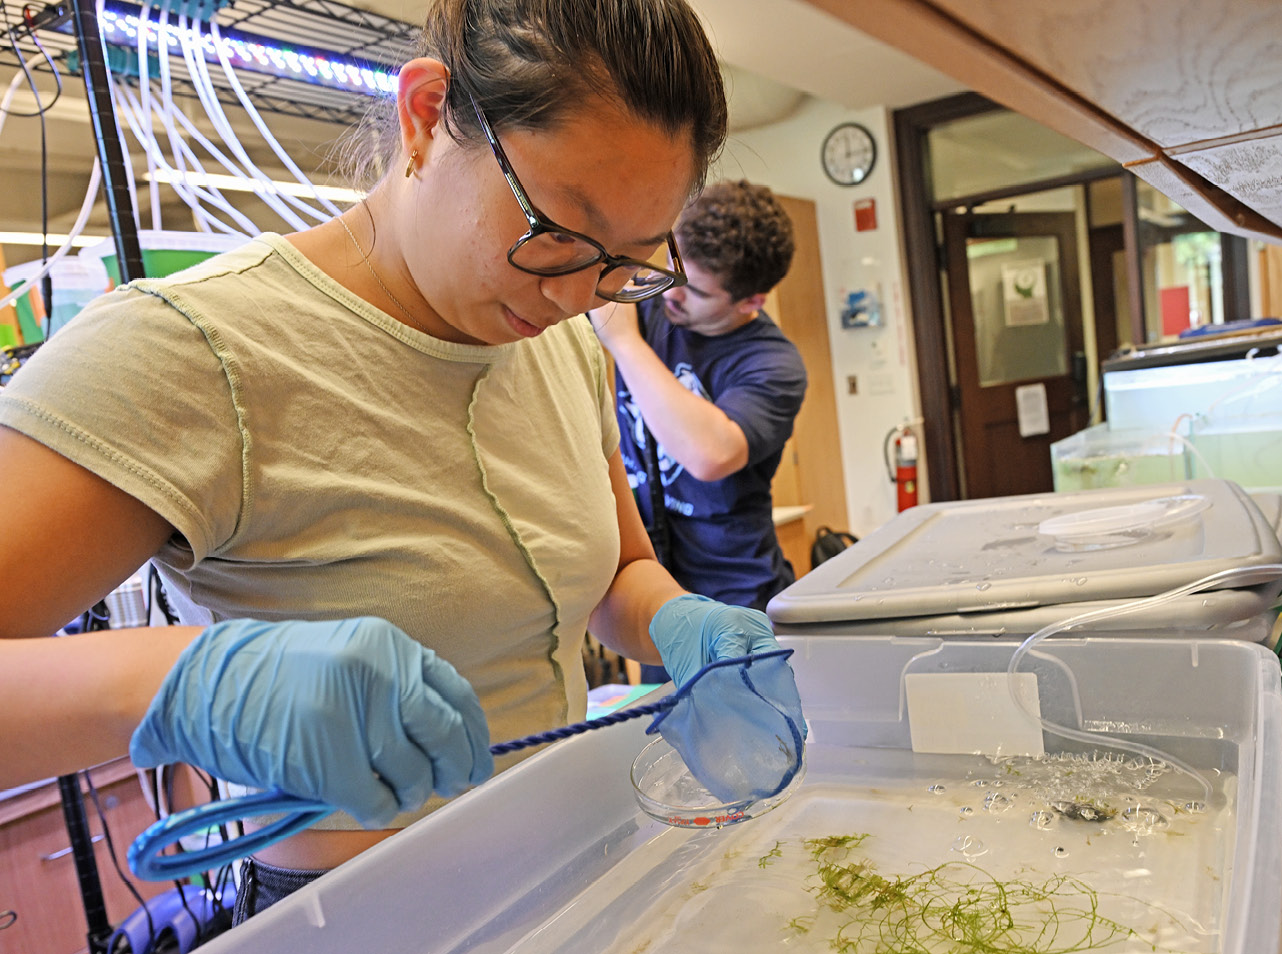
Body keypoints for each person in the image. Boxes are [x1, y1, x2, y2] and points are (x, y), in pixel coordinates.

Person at [0, 0, 799, 922]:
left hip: (578, 850)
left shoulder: (562, 344)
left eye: (627, 263)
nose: (581, 294)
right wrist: (184, 681)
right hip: (359, 913)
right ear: (424, 118)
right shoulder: (190, 352)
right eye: (560, 233)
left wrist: (679, 622)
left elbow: (615, 569)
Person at [593, 180, 805, 642]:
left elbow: (709, 454)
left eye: (696, 291)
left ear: (750, 302)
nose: (672, 292)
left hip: (736, 597)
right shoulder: (653, 302)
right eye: (673, 267)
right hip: (651, 593)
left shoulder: (772, 364)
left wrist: (624, 344)